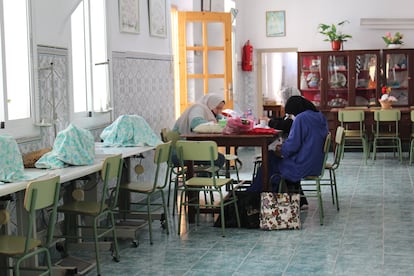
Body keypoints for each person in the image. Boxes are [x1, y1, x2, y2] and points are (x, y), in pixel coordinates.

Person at [249, 96, 329, 207]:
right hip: (316, 163)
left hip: (302, 165)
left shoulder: (302, 118)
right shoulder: (319, 116)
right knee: (272, 161)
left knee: (269, 159)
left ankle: (253, 197)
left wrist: (281, 149)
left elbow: (292, 146)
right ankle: (268, 196)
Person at [172, 93, 226, 167]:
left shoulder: (209, 111)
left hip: (190, 148)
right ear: (211, 105)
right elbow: (197, 124)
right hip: (180, 152)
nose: (219, 111)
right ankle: (202, 177)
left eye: (221, 108)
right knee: (218, 158)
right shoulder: (197, 109)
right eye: (218, 108)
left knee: (217, 157)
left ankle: (202, 176)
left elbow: (222, 119)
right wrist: (216, 126)